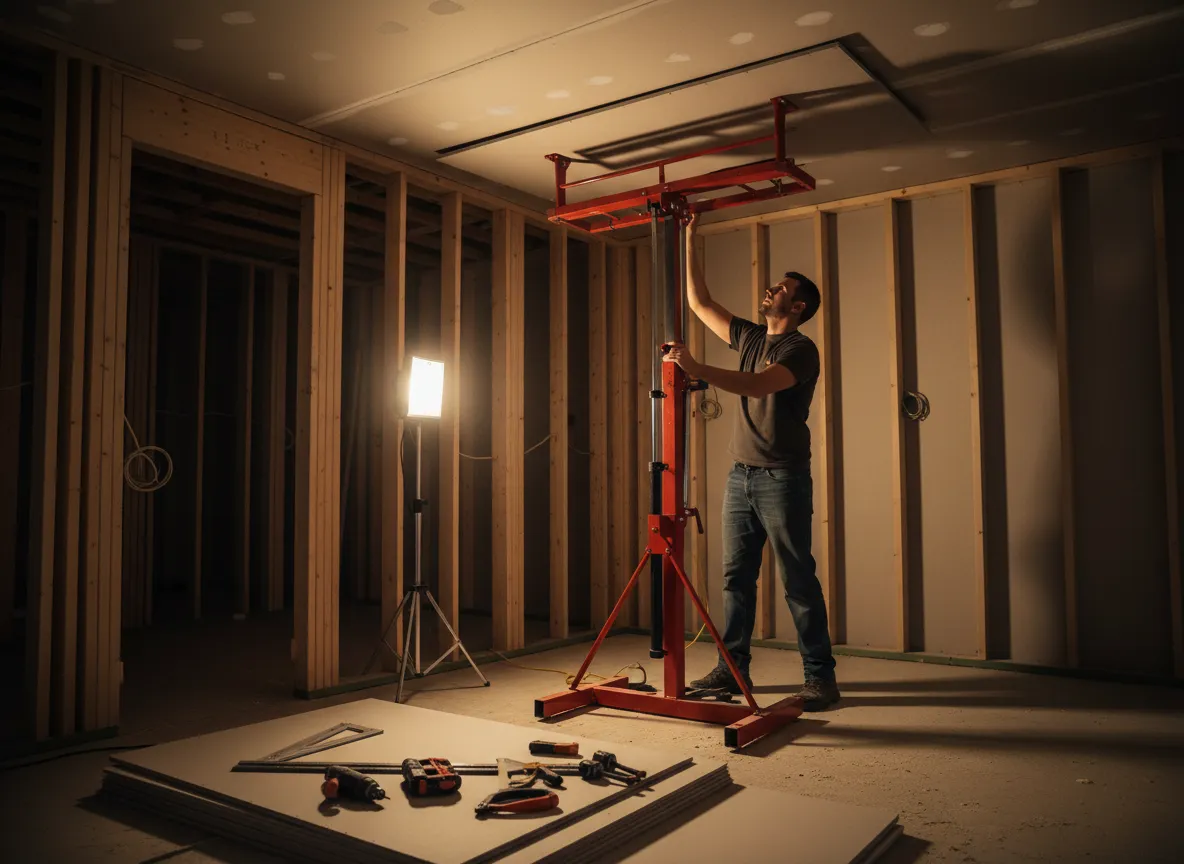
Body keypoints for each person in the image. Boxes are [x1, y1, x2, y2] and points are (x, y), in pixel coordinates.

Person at [660, 213, 839, 711]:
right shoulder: (751, 338)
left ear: (796, 305)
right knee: (734, 577)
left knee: (797, 578)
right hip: (740, 476)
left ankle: (820, 678)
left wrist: (697, 369)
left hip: (782, 478)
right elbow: (700, 302)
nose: (770, 290)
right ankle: (730, 668)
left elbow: (760, 385)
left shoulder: (801, 349)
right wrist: (691, 234)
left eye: (780, 288)